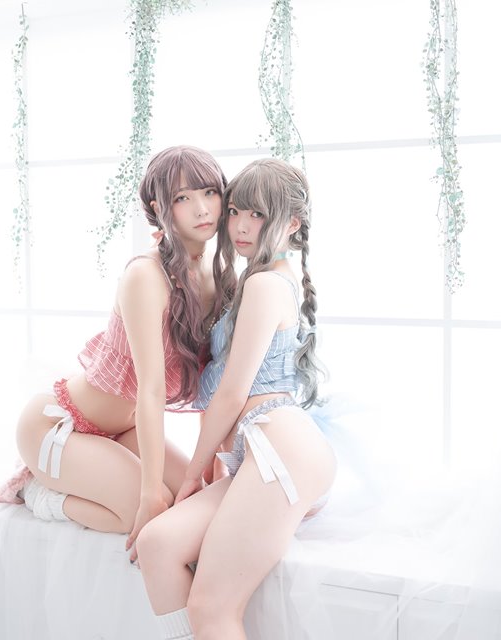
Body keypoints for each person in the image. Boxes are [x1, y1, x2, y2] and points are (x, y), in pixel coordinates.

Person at [135, 158, 337, 640]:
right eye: (236, 211)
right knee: (157, 544)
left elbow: (230, 395)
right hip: (263, 453)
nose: (242, 226)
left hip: (280, 451)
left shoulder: (265, 284)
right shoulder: (259, 279)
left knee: (212, 607)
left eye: (258, 215)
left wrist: (191, 476)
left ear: (292, 224)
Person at [4, 145, 227, 548]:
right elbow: (150, 390)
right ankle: (37, 494)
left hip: (125, 429)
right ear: (160, 208)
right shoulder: (146, 276)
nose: (201, 208)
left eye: (209, 192)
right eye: (183, 198)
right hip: (59, 427)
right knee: (140, 511)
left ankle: (96, 476)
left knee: (195, 501)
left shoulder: (217, 276)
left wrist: (211, 472)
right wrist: (149, 494)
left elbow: (214, 386)